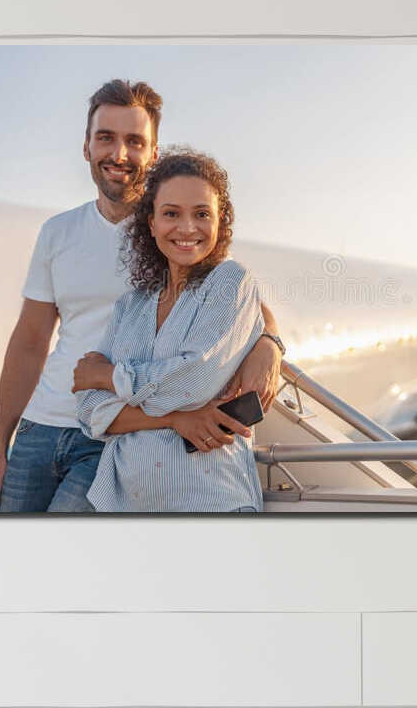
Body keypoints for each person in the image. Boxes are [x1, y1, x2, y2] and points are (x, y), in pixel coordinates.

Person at [0, 80, 284, 513]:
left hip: (117, 436)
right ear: (86, 147)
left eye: (134, 142)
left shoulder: (176, 226)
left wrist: (271, 344)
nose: (119, 155)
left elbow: (239, 303)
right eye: (106, 138)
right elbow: (29, 341)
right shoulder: (58, 233)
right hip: (44, 424)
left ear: (153, 155)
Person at [70, 149, 268, 514]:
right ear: (151, 223)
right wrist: (176, 419)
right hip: (127, 509)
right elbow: (87, 409)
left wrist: (105, 376)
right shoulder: (131, 305)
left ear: (220, 221)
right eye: (172, 214)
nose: (187, 228)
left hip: (211, 503)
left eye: (202, 214)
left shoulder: (230, 282)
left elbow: (191, 384)